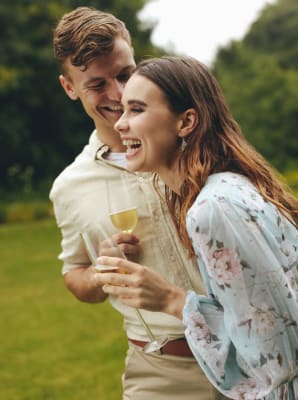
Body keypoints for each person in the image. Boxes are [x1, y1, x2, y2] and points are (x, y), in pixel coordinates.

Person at [97, 55, 298, 399]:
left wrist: (172, 300)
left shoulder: (212, 209)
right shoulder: (226, 188)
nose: (120, 124)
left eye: (137, 109)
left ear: (186, 121)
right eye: (123, 111)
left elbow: (276, 356)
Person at [49, 7, 224, 400]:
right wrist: (101, 273)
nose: (117, 94)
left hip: (249, 351)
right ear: (69, 87)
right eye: (96, 84)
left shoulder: (197, 144)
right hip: (161, 374)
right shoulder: (70, 187)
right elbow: (74, 272)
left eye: (125, 74)